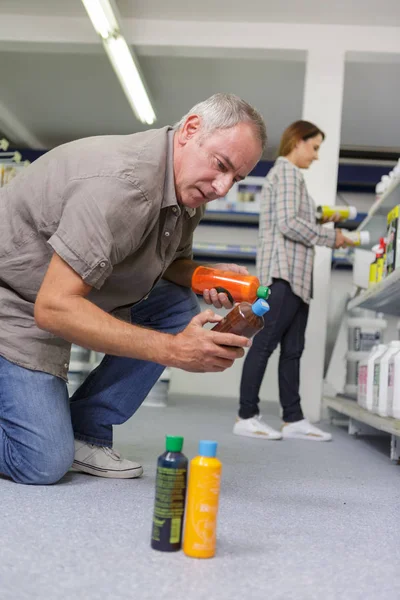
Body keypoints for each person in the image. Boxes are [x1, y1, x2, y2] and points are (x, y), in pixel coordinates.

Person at [0, 93, 266, 485]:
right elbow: (54, 308)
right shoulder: (122, 188)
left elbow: (170, 263)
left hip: (64, 289)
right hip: (16, 301)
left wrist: (204, 275)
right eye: (221, 166)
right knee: (40, 460)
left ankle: (85, 430)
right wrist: (175, 350)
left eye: (236, 178)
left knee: (175, 306)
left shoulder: (187, 186)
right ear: (190, 129)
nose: (222, 187)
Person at [233, 120, 353, 442]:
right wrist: (331, 236)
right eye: (314, 147)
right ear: (297, 141)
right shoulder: (286, 172)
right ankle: (246, 415)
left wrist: (318, 218)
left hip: (297, 279)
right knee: (265, 343)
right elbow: (287, 223)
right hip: (282, 274)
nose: (315, 156)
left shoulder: (293, 179)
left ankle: (294, 418)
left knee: (293, 350)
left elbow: (293, 217)